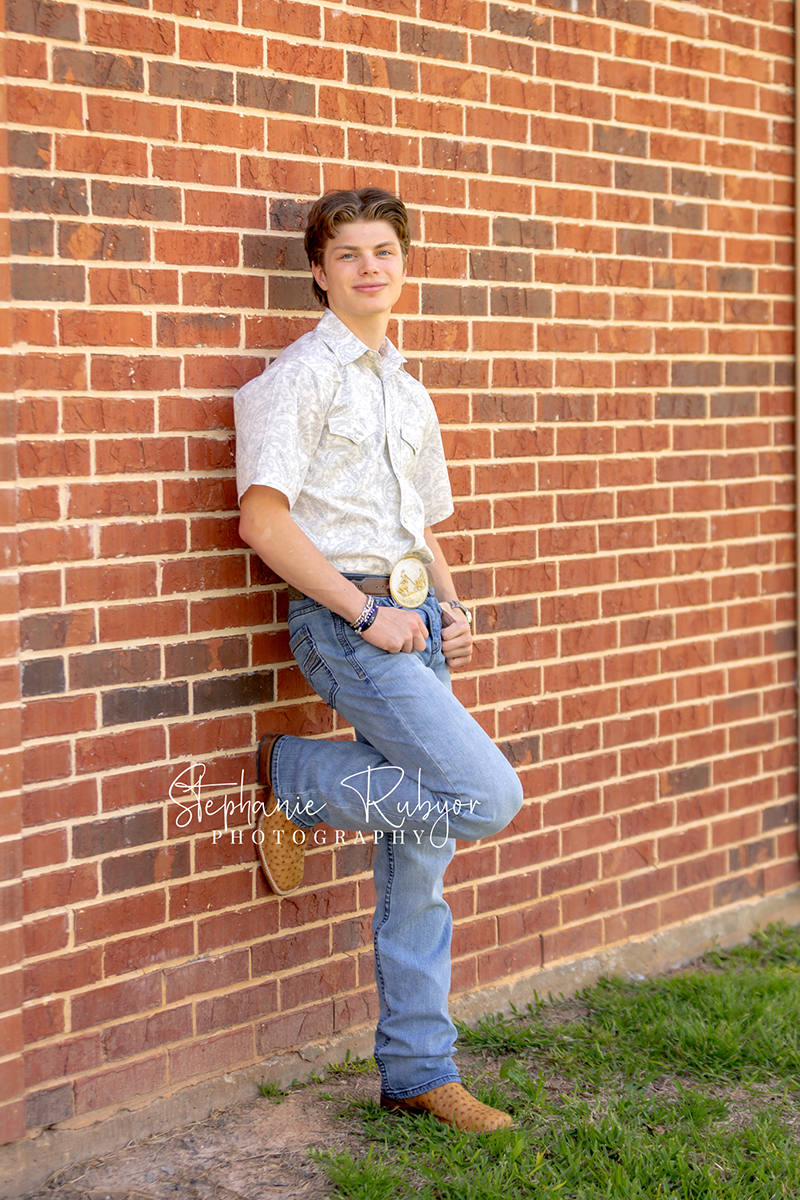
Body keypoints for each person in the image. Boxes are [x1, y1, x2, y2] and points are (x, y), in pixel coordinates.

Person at [234, 188, 524, 1133]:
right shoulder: (298, 377)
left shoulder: (407, 386)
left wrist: (447, 598)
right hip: (349, 621)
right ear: (318, 271)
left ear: (404, 263)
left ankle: (416, 1071)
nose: (370, 268)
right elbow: (263, 521)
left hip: (411, 620)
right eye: (349, 254)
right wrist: (364, 613)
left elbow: (418, 523)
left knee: (421, 864)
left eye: (384, 252)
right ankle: (299, 776)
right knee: (485, 796)